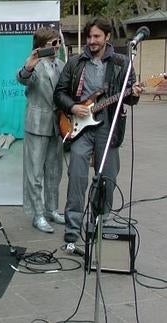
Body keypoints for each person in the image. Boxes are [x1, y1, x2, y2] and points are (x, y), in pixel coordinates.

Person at [53, 17, 142, 249]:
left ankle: (100, 225)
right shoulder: (75, 62)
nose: (92, 41)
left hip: (109, 124)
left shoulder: (122, 62)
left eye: (97, 36)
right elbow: (59, 93)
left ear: (107, 37)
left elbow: (129, 97)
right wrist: (73, 107)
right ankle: (72, 233)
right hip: (80, 126)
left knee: (107, 178)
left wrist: (136, 92)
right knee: (77, 178)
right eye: (90, 36)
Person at [15, 27, 66, 233]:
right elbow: (22, 78)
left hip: (58, 124)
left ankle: (51, 209)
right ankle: (37, 214)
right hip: (37, 124)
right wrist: (29, 65)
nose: (56, 47)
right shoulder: (35, 66)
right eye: (52, 44)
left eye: (58, 43)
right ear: (41, 46)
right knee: (34, 173)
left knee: (54, 171)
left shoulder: (62, 65)